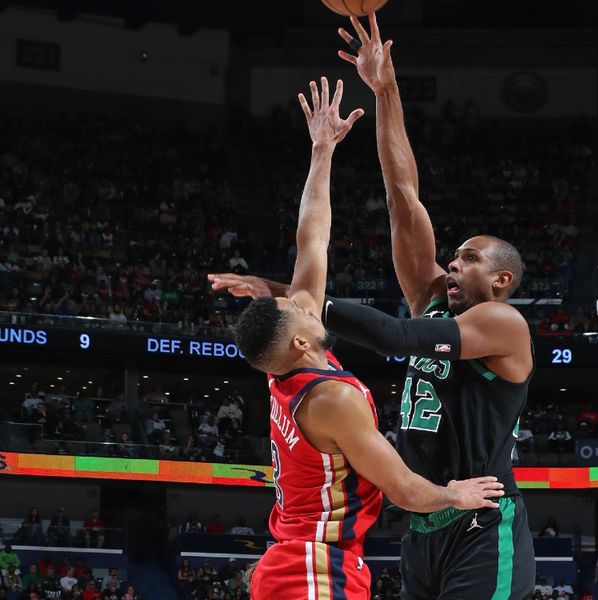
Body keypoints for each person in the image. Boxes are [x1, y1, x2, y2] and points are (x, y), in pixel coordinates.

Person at [212, 14, 536, 599]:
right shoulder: (431, 299)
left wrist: (298, 303)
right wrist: (384, 90)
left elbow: (396, 339)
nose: (453, 263)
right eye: (453, 255)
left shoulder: (502, 323)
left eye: (468, 258)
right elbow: (401, 194)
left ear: (502, 278)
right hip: (421, 526)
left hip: (481, 522)